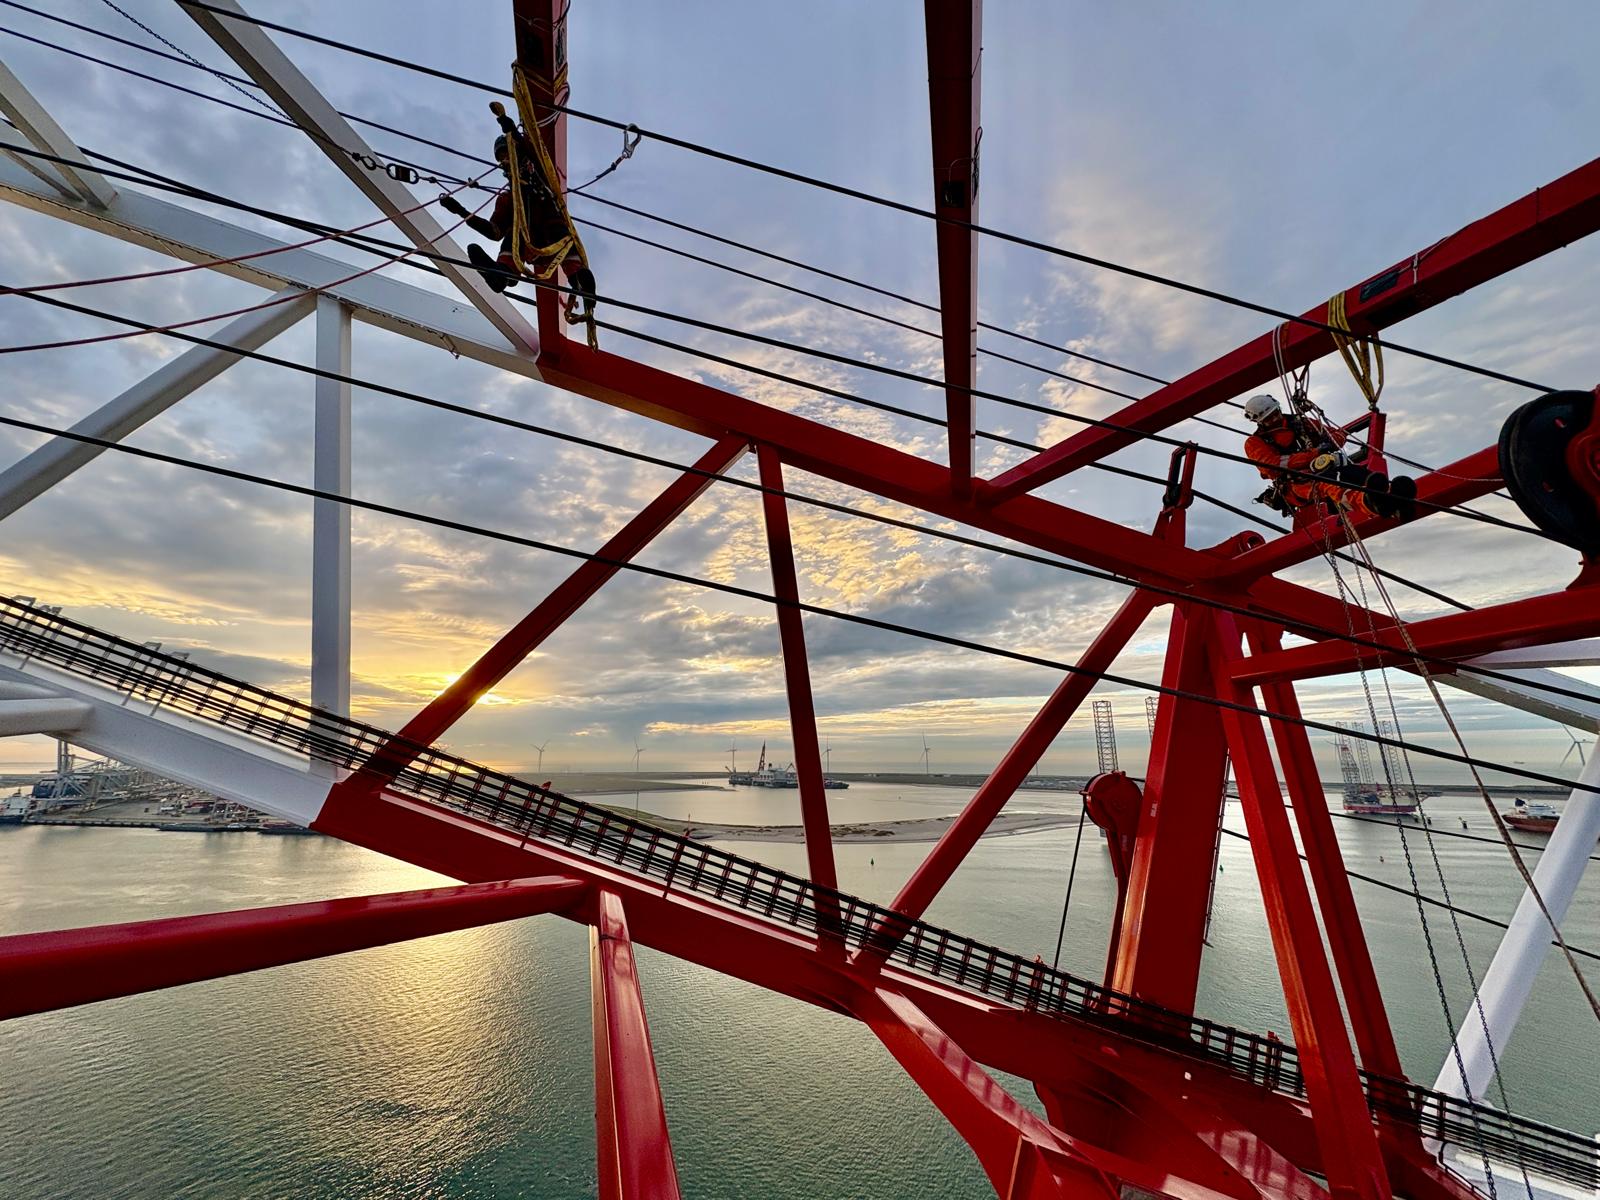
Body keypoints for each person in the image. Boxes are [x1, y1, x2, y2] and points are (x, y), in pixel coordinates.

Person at [439, 101, 597, 319]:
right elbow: (495, 232)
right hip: (529, 242)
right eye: (501, 158)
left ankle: (582, 284)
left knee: (563, 244)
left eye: (507, 154)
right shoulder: (507, 198)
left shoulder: (541, 175)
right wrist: (461, 211)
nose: (505, 160)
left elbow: (527, 149)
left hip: (553, 235)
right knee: (514, 236)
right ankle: (500, 275)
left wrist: (506, 124)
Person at [1242, 394, 1416, 521]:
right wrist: (1315, 454)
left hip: (1325, 469)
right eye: (1269, 418)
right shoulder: (1255, 443)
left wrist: (1330, 443)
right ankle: (1369, 504)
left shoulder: (1301, 423)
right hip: (1296, 485)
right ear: (1259, 421)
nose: (1275, 418)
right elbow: (1273, 466)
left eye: (1275, 413)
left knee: (1356, 473)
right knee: (1330, 485)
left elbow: (1336, 435)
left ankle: (1393, 496)